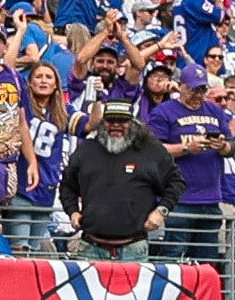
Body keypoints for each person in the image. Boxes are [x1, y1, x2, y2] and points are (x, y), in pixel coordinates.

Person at [62, 92, 178, 258]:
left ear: (132, 122)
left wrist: (161, 211)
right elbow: (67, 185)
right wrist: (72, 211)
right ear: (103, 122)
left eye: (122, 121)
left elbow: (176, 182)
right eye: (110, 121)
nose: (116, 125)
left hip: (134, 248)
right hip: (90, 247)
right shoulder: (87, 149)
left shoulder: (150, 149)